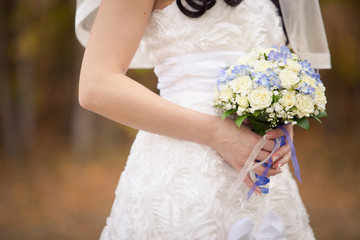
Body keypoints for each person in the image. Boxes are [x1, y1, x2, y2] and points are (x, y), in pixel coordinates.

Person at [75, 0, 331, 239]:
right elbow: (96, 86)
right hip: (182, 176)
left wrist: (283, 124)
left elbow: (280, 66)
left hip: (267, 181)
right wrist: (218, 134)